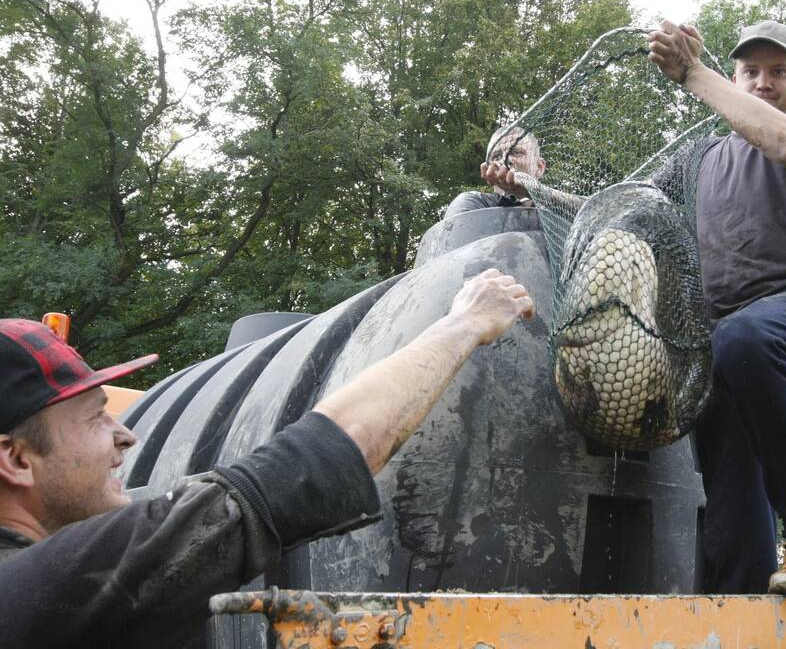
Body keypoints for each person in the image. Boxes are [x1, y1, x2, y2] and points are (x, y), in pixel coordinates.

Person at [0, 269, 533, 647]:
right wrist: (464, 324)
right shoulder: (41, 588)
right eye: (96, 418)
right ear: (16, 459)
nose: (126, 436)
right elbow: (312, 463)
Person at [647, 19, 786, 601]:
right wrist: (531, 188)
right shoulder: (700, 158)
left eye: (778, 72)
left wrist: (692, 74)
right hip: (725, 348)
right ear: (737, 77)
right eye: (751, 72)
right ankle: (741, 604)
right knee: (731, 489)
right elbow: (622, 209)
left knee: (746, 339)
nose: (763, 83)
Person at [444, 126, 547, 218]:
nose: (505, 160)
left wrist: (534, 192)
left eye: (516, 152)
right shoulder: (475, 203)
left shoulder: (557, 209)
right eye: (496, 156)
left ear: (540, 167)